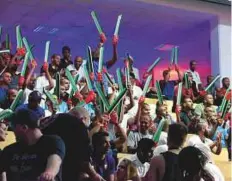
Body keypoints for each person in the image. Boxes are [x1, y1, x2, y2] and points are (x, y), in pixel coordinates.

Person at [0, 109, 65, 181]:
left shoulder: (51, 142)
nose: (12, 131)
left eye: (13, 126)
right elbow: (2, 170)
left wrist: (49, 173)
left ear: (24, 128)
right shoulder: (10, 150)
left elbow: (56, 159)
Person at [40, 113, 104, 181]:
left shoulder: (53, 120)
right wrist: (95, 175)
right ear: (83, 119)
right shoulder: (79, 126)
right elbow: (84, 163)